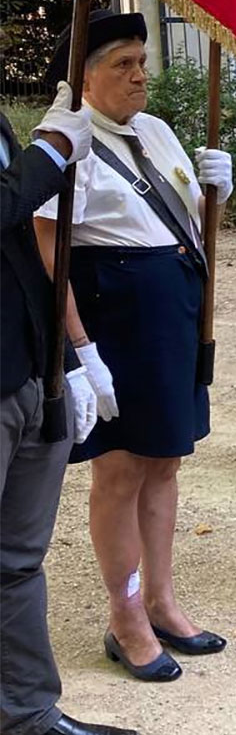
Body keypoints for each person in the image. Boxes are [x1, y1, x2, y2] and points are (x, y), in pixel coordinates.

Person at [32, 10, 234, 683]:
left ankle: (161, 600)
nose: (140, 74)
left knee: (167, 460)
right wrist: (81, 353)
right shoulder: (64, 141)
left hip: (172, 314)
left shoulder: (156, 130)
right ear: (84, 77)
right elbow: (47, 254)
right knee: (119, 473)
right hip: (115, 318)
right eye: (123, 64)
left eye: (142, 61)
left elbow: (190, 228)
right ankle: (125, 620)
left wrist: (218, 195)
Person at [3, 86, 137, 733]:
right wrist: (52, 149)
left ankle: (28, 715)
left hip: (26, 367)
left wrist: (70, 356)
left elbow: (23, 244)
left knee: (18, 563)